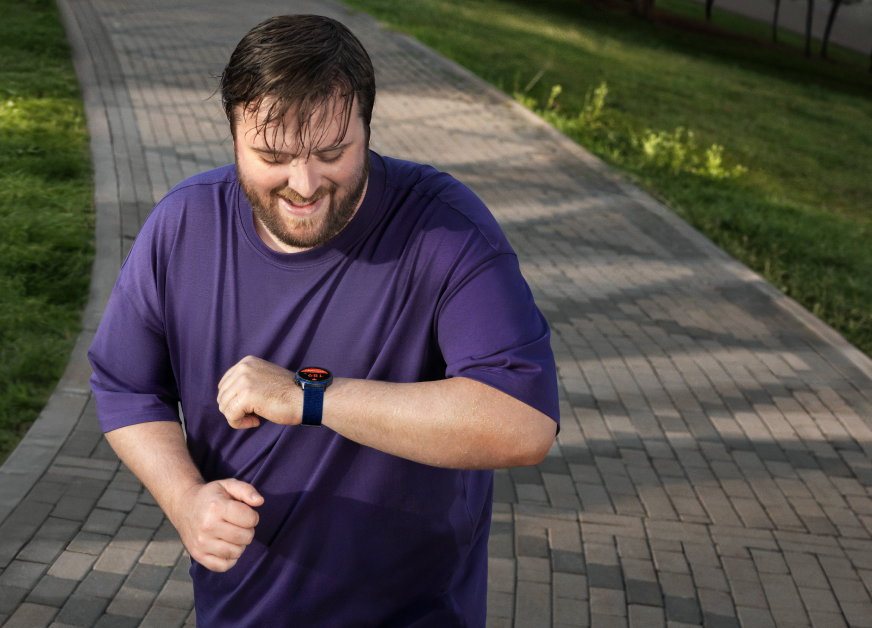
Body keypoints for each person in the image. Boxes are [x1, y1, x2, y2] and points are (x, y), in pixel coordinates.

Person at [88, 14, 559, 627]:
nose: (304, 185)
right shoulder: (183, 227)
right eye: (272, 156)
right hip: (238, 614)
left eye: (332, 152)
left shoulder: (444, 229)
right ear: (232, 131)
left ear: (366, 123)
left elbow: (522, 424)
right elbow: (126, 386)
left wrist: (308, 396)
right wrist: (184, 498)